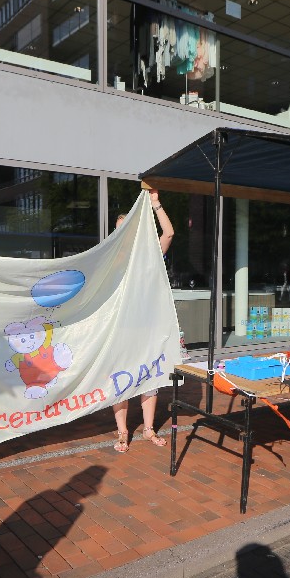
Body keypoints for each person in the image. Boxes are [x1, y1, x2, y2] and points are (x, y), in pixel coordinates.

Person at [112, 189, 175, 452]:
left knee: (150, 377)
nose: (123, 233)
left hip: (148, 326)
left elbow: (169, 233)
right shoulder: (112, 260)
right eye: (119, 229)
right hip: (121, 328)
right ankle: (123, 432)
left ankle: (148, 429)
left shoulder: (151, 254)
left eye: (127, 227)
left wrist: (156, 204)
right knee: (120, 379)